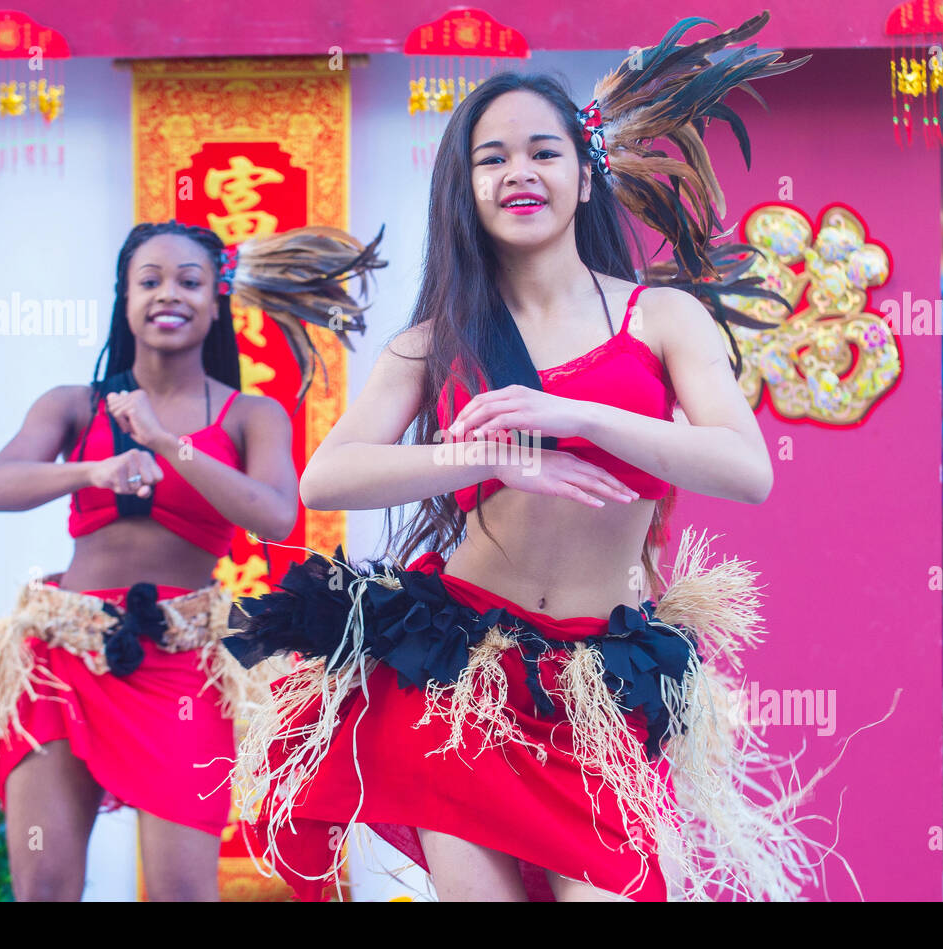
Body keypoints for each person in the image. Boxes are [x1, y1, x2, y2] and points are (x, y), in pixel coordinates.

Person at [224, 14, 831, 902]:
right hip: (460, 673)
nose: (519, 173)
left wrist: (574, 411)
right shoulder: (435, 339)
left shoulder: (660, 319)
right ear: (465, 189)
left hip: (593, 684)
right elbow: (330, 476)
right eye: (492, 157)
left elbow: (746, 469)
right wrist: (487, 460)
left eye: (542, 152)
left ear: (585, 177)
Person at [0, 220, 384, 901]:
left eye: (188, 282)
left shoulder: (250, 415)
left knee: (181, 891)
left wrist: (170, 446)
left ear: (215, 298)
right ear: (125, 296)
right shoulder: (75, 405)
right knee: (44, 884)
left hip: (180, 664)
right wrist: (96, 471)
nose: (167, 295)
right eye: (149, 281)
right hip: (60, 655)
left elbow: (276, 514)